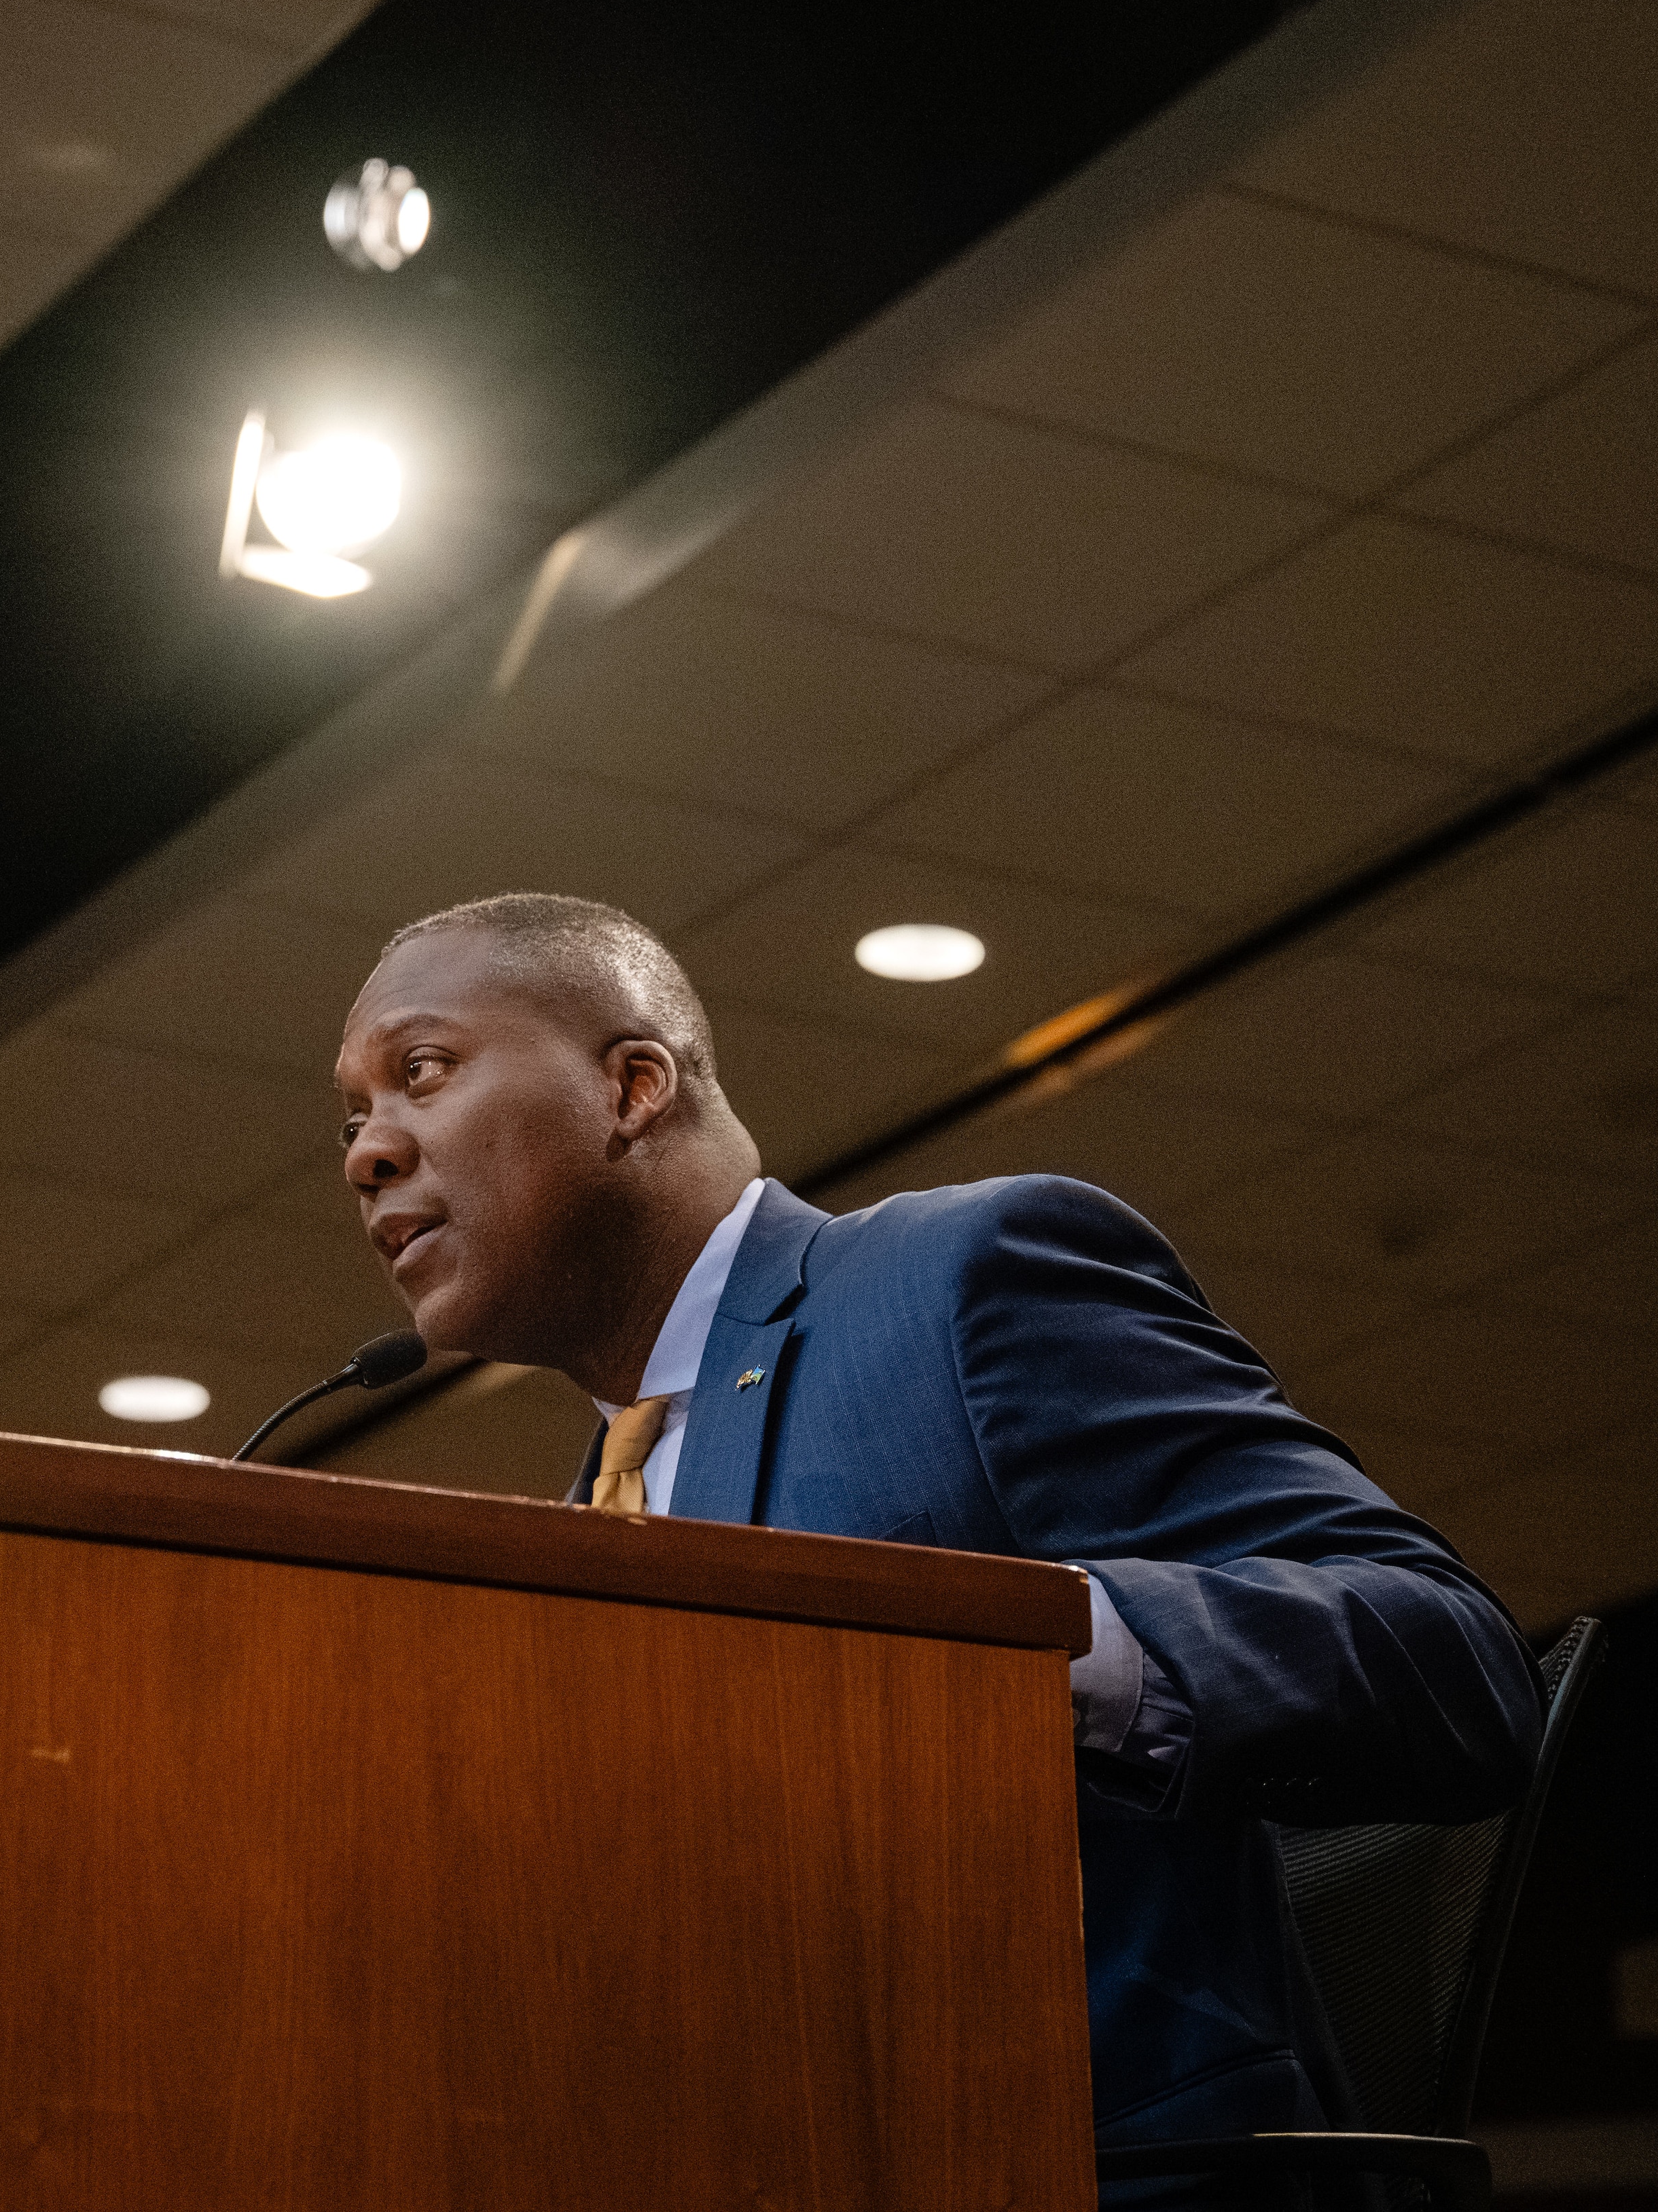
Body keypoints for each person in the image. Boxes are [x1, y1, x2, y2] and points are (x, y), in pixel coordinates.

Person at [333, 890, 1540, 2164]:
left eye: (421, 1071)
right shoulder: (584, 1533)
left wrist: (1018, 1648)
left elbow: (1452, 1662)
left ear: (634, 1085)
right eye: (353, 1116)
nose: (368, 1150)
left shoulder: (960, 1276)